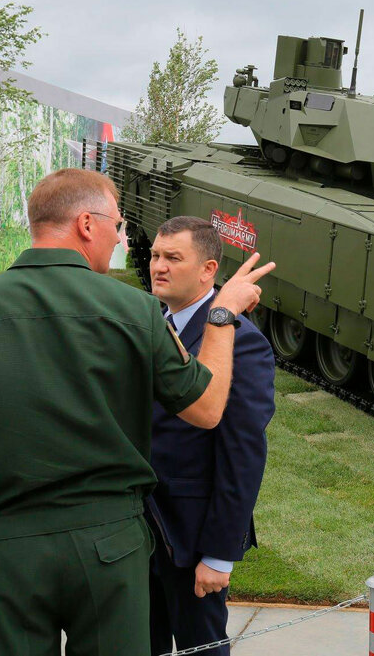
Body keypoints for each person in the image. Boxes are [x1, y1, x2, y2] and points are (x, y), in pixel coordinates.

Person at [0, 168, 274, 656]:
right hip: (112, 551)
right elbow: (206, 410)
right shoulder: (135, 312)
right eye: (118, 226)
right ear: (85, 224)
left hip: (7, 554)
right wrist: (222, 317)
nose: (122, 240)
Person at [145, 217, 276, 655]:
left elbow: (243, 453)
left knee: (202, 649)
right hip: (135, 534)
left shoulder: (243, 343)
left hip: (191, 539)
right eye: (154, 256)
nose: (158, 266)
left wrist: (219, 555)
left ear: (208, 270)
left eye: (173, 258)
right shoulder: (148, 325)